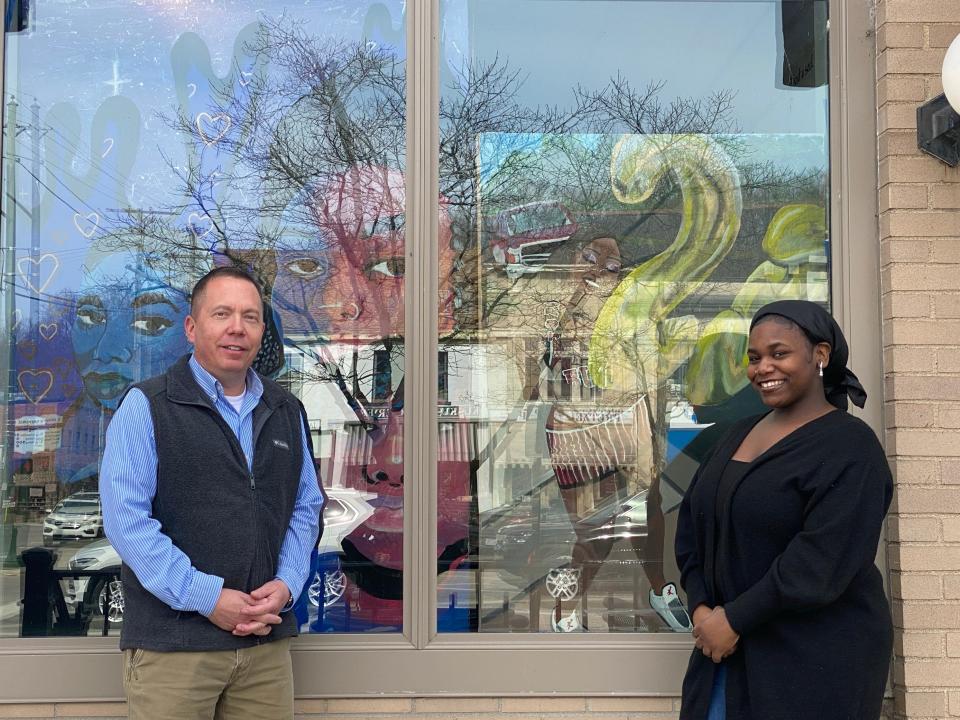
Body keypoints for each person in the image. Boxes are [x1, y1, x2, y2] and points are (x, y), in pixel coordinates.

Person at [100, 266, 324, 720]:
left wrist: (286, 585)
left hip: (265, 646)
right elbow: (127, 523)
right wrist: (207, 597)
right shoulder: (147, 406)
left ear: (262, 330)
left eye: (250, 316)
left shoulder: (286, 409)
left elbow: (306, 507)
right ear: (191, 327)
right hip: (175, 649)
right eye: (221, 313)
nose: (236, 328)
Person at [675, 299, 892, 720]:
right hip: (723, 651)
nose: (763, 368)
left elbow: (821, 561)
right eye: (754, 358)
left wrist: (733, 619)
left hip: (812, 661)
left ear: (820, 356)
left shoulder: (851, 447)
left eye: (779, 353)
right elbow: (693, 528)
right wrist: (702, 609)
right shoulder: (737, 434)